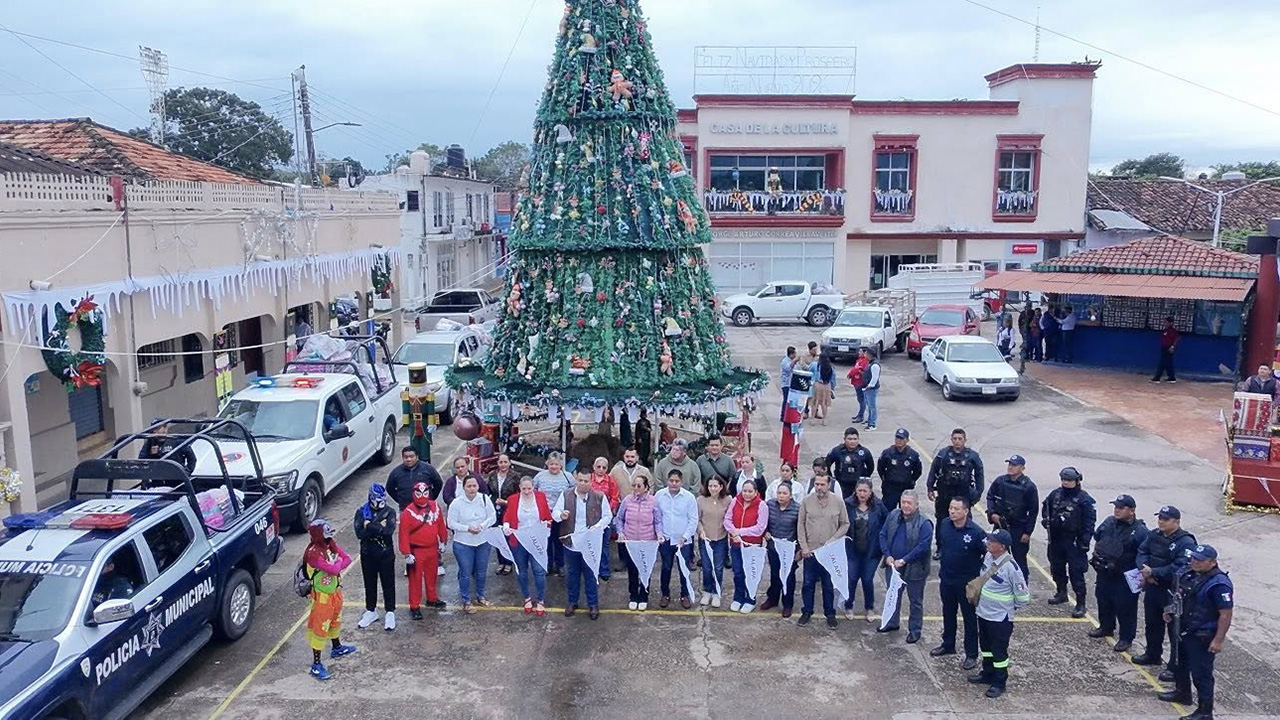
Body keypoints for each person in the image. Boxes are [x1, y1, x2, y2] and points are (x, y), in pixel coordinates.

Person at [1156, 545, 1234, 720]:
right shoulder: (1188, 574)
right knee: (1179, 664)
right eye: (1194, 558)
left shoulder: (1219, 584)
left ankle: (1205, 711)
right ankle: (1182, 693)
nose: (1195, 562)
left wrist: (1218, 640)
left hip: (1202, 634)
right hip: (1183, 629)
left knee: (1201, 674)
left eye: (1200, 560)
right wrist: (1169, 610)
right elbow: (1178, 596)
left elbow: (1225, 614)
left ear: (1212, 562)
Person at [1132, 505, 1198, 677]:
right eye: (1160, 518)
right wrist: (1145, 571)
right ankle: (1152, 654)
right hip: (1153, 587)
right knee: (1152, 624)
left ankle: (1175, 667)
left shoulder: (1185, 542)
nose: (1161, 522)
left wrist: (1154, 572)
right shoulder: (1155, 534)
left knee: (1174, 630)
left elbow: (1180, 567)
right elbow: (1142, 551)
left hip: (1172, 591)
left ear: (1176, 522)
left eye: (1166, 519)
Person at [970, 530, 1030, 698]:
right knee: (986, 648)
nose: (988, 542)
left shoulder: (1012, 568)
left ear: (1002, 547)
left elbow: (1023, 597)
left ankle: (999, 682)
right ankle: (987, 673)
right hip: (983, 613)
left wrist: (1006, 608)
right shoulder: (988, 557)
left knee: (999, 652)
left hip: (1000, 618)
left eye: (992, 541)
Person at [1088, 494, 1148, 653]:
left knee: (1125, 608)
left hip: (1126, 575)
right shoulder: (1109, 522)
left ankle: (1126, 638)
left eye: (1121, 508)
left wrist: (1141, 576)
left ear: (1132, 511)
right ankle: (1106, 627)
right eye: (1116, 507)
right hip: (1105, 571)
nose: (1117, 510)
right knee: (1103, 600)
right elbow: (1098, 536)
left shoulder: (1140, 531)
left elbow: (1144, 553)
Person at [933, 497, 987, 669]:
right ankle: (948, 644)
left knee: (969, 618)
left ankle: (971, 654)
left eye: (956, 509)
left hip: (967, 583)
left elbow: (987, 554)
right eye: (951, 508)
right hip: (947, 579)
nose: (952, 511)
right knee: (948, 613)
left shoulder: (976, 533)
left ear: (966, 511)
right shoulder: (944, 525)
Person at [554, 466, 613, 620]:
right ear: (576, 479)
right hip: (571, 543)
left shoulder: (599, 496)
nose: (583, 483)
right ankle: (572, 602)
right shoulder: (565, 494)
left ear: (591, 481)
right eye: (580, 480)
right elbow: (555, 513)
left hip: (590, 543)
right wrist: (561, 515)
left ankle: (593, 604)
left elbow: (608, 516)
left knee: (591, 574)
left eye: (586, 481)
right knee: (572, 574)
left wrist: (597, 527)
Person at [794, 473, 848, 628]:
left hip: (829, 553)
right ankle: (807, 611)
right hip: (810, 551)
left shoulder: (838, 502)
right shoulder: (807, 501)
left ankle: (830, 614)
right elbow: (800, 524)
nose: (819, 487)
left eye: (822, 484)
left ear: (829, 485)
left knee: (828, 585)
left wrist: (833, 540)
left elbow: (845, 524)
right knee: (808, 584)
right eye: (816, 484)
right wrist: (804, 547)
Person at [1040, 466, 1096, 619]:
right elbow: (1046, 507)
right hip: (1056, 539)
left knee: (1076, 573)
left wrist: (1085, 542)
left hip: (1074, 541)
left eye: (1069, 480)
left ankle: (1081, 603)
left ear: (1077, 481)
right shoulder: (1056, 494)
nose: (1066, 482)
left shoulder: (1084, 500)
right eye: (1064, 479)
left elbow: (1089, 523)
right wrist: (1046, 520)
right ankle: (1061, 592)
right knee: (1056, 567)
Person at [878, 489, 933, 642]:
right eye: (903, 502)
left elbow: (923, 547)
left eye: (909, 503)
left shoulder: (924, 523)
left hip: (916, 569)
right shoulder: (893, 515)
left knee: (915, 601)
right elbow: (883, 534)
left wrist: (904, 560)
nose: (906, 505)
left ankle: (915, 630)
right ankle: (892, 622)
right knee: (893, 596)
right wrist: (887, 555)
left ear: (917, 505)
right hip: (893, 566)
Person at [304, 519, 355, 681]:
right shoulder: (313, 553)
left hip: (335, 593)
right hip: (322, 598)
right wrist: (338, 562)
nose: (329, 538)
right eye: (326, 535)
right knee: (320, 628)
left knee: (335, 621)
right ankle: (316, 664)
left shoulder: (329, 546)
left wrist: (337, 562)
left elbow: (348, 558)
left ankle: (336, 647)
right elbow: (333, 569)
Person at [927, 429, 985, 553]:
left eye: (960, 439)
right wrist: (930, 487)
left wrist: (978, 493)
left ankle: (966, 546)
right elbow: (934, 470)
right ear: (951, 439)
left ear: (965, 440)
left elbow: (979, 474)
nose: (957, 441)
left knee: (965, 520)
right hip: (945, 493)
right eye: (955, 439)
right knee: (941, 521)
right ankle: (940, 548)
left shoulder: (972, 456)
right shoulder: (943, 454)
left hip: (963, 494)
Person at [985, 455, 1039, 583]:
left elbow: (1033, 511)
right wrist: (992, 513)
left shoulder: (1029, 487)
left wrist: (1027, 532)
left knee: (1019, 561)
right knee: (997, 556)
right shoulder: (1000, 481)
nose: (1010, 467)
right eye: (1009, 464)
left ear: (1022, 468)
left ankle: (1021, 586)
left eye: (1014, 465)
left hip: (1018, 528)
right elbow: (990, 496)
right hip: (1000, 525)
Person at [502, 477, 551, 616]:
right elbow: (507, 517)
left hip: (537, 540)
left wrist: (546, 527)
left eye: (529, 488)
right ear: (519, 487)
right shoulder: (513, 499)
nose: (527, 491)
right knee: (521, 570)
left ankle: (540, 599)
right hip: (519, 541)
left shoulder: (541, 497)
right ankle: (527, 598)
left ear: (533, 487)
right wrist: (506, 526)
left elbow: (547, 517)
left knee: (539, 570)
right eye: (524, 489)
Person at [398, 481, 447, 619]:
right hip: (416, 550)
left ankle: (432, 598)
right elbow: (403, 534)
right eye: (419, 493)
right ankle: (414, 606)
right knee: (415, 580)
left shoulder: (435, 506)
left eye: (425, 493)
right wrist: (406, 553)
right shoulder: (408, 512)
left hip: (432, 548)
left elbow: (440, 524)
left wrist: (443, 540)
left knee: (432, 575)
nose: (422, 496)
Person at [448, 475, 497, 614]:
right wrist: (467, 528)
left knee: (481, 572)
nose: (472, 489)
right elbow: (450, 523)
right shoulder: (456, 503)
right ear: (463, 487)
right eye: (469, 486)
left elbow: (492, 516)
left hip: (483, 542)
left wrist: (482, 526)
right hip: (463, 544)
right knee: (465, 573)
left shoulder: (484, 499)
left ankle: (481, 596)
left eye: (474, 486)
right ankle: (466, 601)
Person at [353, 484, 397, 632]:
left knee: (388, 583)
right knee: (369, 583)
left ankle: (390, 612)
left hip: (386, 553)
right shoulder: (361, 512)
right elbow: (360, 534)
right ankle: (371, 610)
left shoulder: (390, 512)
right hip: (367, 553)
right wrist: (378, 526)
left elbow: (388, 531)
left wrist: (369, 525)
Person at [615, 473, 661, 611]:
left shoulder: (653, 501)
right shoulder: (627, 500)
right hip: (631, 542)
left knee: (646, 570)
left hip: (647, 542)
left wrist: (659, 535)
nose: (636, 488)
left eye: (639, 486)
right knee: (633, 571)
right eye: (634, 485)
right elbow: (619, 518)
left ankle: (644, 596)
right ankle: (633, 596)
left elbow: (658, 521)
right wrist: (621, 532)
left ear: (646, 487)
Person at [654, 469, 699, 609]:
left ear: (681, 482)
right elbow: (656, 517)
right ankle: (665, 594)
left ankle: (685, 595)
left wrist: (685, 537)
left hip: (683, 541)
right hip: (666, 539)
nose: (674, 483)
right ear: (667, 481)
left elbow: (693, 519)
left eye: (677, 481)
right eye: (671, 481)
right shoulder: (659, 495)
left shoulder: (689, 497)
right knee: (666, 568)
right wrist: (659, 534)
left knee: (684, 569)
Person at [844, 478, 887, 622]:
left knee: (867, 579)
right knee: (852, 578)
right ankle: (848, 605)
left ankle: (869, 607)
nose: (862, 494)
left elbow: (887, 524)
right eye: (859, 490)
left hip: (872, 551)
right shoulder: (848, 505)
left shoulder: (878, 506)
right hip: (853, 550)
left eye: (865, 491)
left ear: (870, 492)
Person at [724, 478, 769, 614]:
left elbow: (760, 528)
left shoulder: (762, 506)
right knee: (738, 572)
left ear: (756, 492)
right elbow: (727, 519)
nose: (747, 494)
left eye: (750, 491)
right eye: (745, 491)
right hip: (736, 544)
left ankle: (750, 599)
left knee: (751, 573)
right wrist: (733, 532)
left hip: (752, 546)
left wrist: (740, 532)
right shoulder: (735, 501)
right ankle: (738, 597)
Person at [760, 479, 801, 617]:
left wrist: (799, 550)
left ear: (791, 495)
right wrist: (765, 532)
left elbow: (801, 531)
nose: (781, 496)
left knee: (788, 577)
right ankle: (772, 599)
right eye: (779, 493)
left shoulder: (798, 509)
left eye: (784, 493)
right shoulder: (770, 505)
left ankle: (787, 604)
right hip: (773, 548)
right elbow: (763, 521)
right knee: (774, 574)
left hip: (789, 550)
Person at [534, 452, 575, 576]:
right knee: (546, 540)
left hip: (561, 514)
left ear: (561, 465)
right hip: (545, 513)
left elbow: (573, 492)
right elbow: (533, 491)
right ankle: (547, 564)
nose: (554, 467)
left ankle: (560, 565)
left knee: (560, 539)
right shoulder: (540, 476)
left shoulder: (568, 477)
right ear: (547, 463)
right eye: (551, 464)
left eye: (556, 464)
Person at [697, 475, 731, 607]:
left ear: (721, 486)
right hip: (705, 539)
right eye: (710, 486)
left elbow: (730, 518)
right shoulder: (700, 500)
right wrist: (701, 531)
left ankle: (716, 592)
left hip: (721, 539)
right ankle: (707, 591)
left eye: (715, 486)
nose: (713, 488)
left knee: (718, 568)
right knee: (706, 567)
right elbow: (697, 519)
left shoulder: (728, 500)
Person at [487, 454, 521, 576]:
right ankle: (501, 562)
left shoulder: (516, 476)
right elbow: (489, 491)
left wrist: (506, 502)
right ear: (497, 463)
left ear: (509, 462)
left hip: (509, 509)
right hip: (495, 509)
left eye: (505, 462)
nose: (503, 464)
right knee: (498, 535)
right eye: (500, 462)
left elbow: (519, 496)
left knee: (508, 536)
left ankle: (509, 562)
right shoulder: (492, 475)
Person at [591, 456, 623, 582]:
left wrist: (608, 508)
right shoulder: (589, 479)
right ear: (594, 467)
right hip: (590, 516)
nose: (601, 469)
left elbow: (615, 496)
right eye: (598, 467)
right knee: (591, 543)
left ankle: (604, 570)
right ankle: (591, 568)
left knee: (604, 544)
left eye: (604, 467)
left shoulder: (610, 481)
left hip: (605, 516)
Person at [877, 428, 923, 513]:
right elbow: (880, 468)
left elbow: (918, 471)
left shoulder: (913, 455)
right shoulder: (887, 453)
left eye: (901, 438)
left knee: (906, 511)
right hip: (890, 488)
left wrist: (911, 480)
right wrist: (885, 479)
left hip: (905, 487)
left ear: (907, 440)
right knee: (887, 512)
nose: (899, 440)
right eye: (897, 438)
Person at [826, 427, 875, 499]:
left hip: (858, 485)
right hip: (842, 484)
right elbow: (827, 464)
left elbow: (870, 466)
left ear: (858, 439)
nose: (852, 441)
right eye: (850, 439)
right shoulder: (837, 451)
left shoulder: (864, 452)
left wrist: (864, 477)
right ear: (844, 439)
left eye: (855, 439)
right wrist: (831, 478)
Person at [1152, 316, 1179, 383]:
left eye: (1166, 322)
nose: (1164, 323)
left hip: (1168, 348)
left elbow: (1177, 338)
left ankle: (1157, 378)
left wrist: (1173, 347)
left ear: (1170, 323)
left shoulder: (1172, 331)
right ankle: (1172, 378)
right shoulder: (1165, 330)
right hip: (1164, 348)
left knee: (1162, 363)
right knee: (1168, 364)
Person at [848, 347, 870, 424]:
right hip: (856, 381)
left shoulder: (865, 361)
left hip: (860, 382)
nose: (859, 353)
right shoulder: (859, 360)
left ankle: (861, 416)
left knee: (861, 400)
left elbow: (860, 370)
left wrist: (853, 372)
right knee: (860, 399)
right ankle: (860, 414)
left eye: (860, 351)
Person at [862, 347, 882, 430]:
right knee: (869, 405)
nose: (864, 354)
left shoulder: (875, 365)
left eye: (866, 353)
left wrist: (869, 386)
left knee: (872, 406)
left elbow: (874, 378)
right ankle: (869, 420)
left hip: (871, 389)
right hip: (868, 388)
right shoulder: (870, 363)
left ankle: (872, 424)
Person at [812, 352, 835, 423]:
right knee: (824, 403)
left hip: (818, 384)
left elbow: (809, 369)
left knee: (815, 402)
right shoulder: (831, 367)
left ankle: (812, 419)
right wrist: (832, 388)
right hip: (827, 385)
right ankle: (824, 419)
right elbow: (833, 378)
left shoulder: (816, 365)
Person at [780, 346, 799, 422]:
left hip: (792, 383)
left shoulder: (793, 361)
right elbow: (788, 369)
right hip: (786, 384)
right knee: (786, 400)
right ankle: (783, 416)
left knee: (791, 401)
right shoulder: (785, 361)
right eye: (794, 354)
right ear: (791, 354)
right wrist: (794, 361)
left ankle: (789, 415)